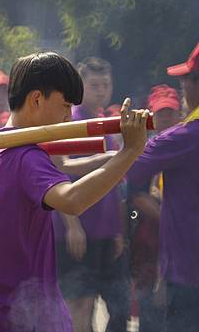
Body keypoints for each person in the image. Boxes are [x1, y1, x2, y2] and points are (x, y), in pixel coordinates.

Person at [0, 52, 149, 332]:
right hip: (33, 321)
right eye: (65, 105)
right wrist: (130, 152)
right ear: (36, 99)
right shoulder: (28, 157)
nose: (68, 116)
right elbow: (72, 200)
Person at [52, 57, 130, 332]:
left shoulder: (104, 124)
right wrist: (72, 225)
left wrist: (117, 231)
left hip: (104, 232)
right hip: (77, 231)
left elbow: (114, 183)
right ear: (79, 86)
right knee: (79, 303)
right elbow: (56, 175)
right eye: (94, 85)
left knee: (108, 302)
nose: (101, 90)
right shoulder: (69, 123)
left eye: (105, 85)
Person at [127, 42, 199, 332]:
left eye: (187, 79)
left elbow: (129, 168)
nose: (182, 85)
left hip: (190, 271)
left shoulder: (185, 137)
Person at [129, 85, 180, 332]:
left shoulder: (186, 144)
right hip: (149, 239)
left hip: (180, 242)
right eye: (161, 113)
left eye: (170, 112)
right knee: (149, 305)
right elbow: (135, 196)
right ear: (151, 116)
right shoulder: (146, 150)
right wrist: (167, 218)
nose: (166, 118)